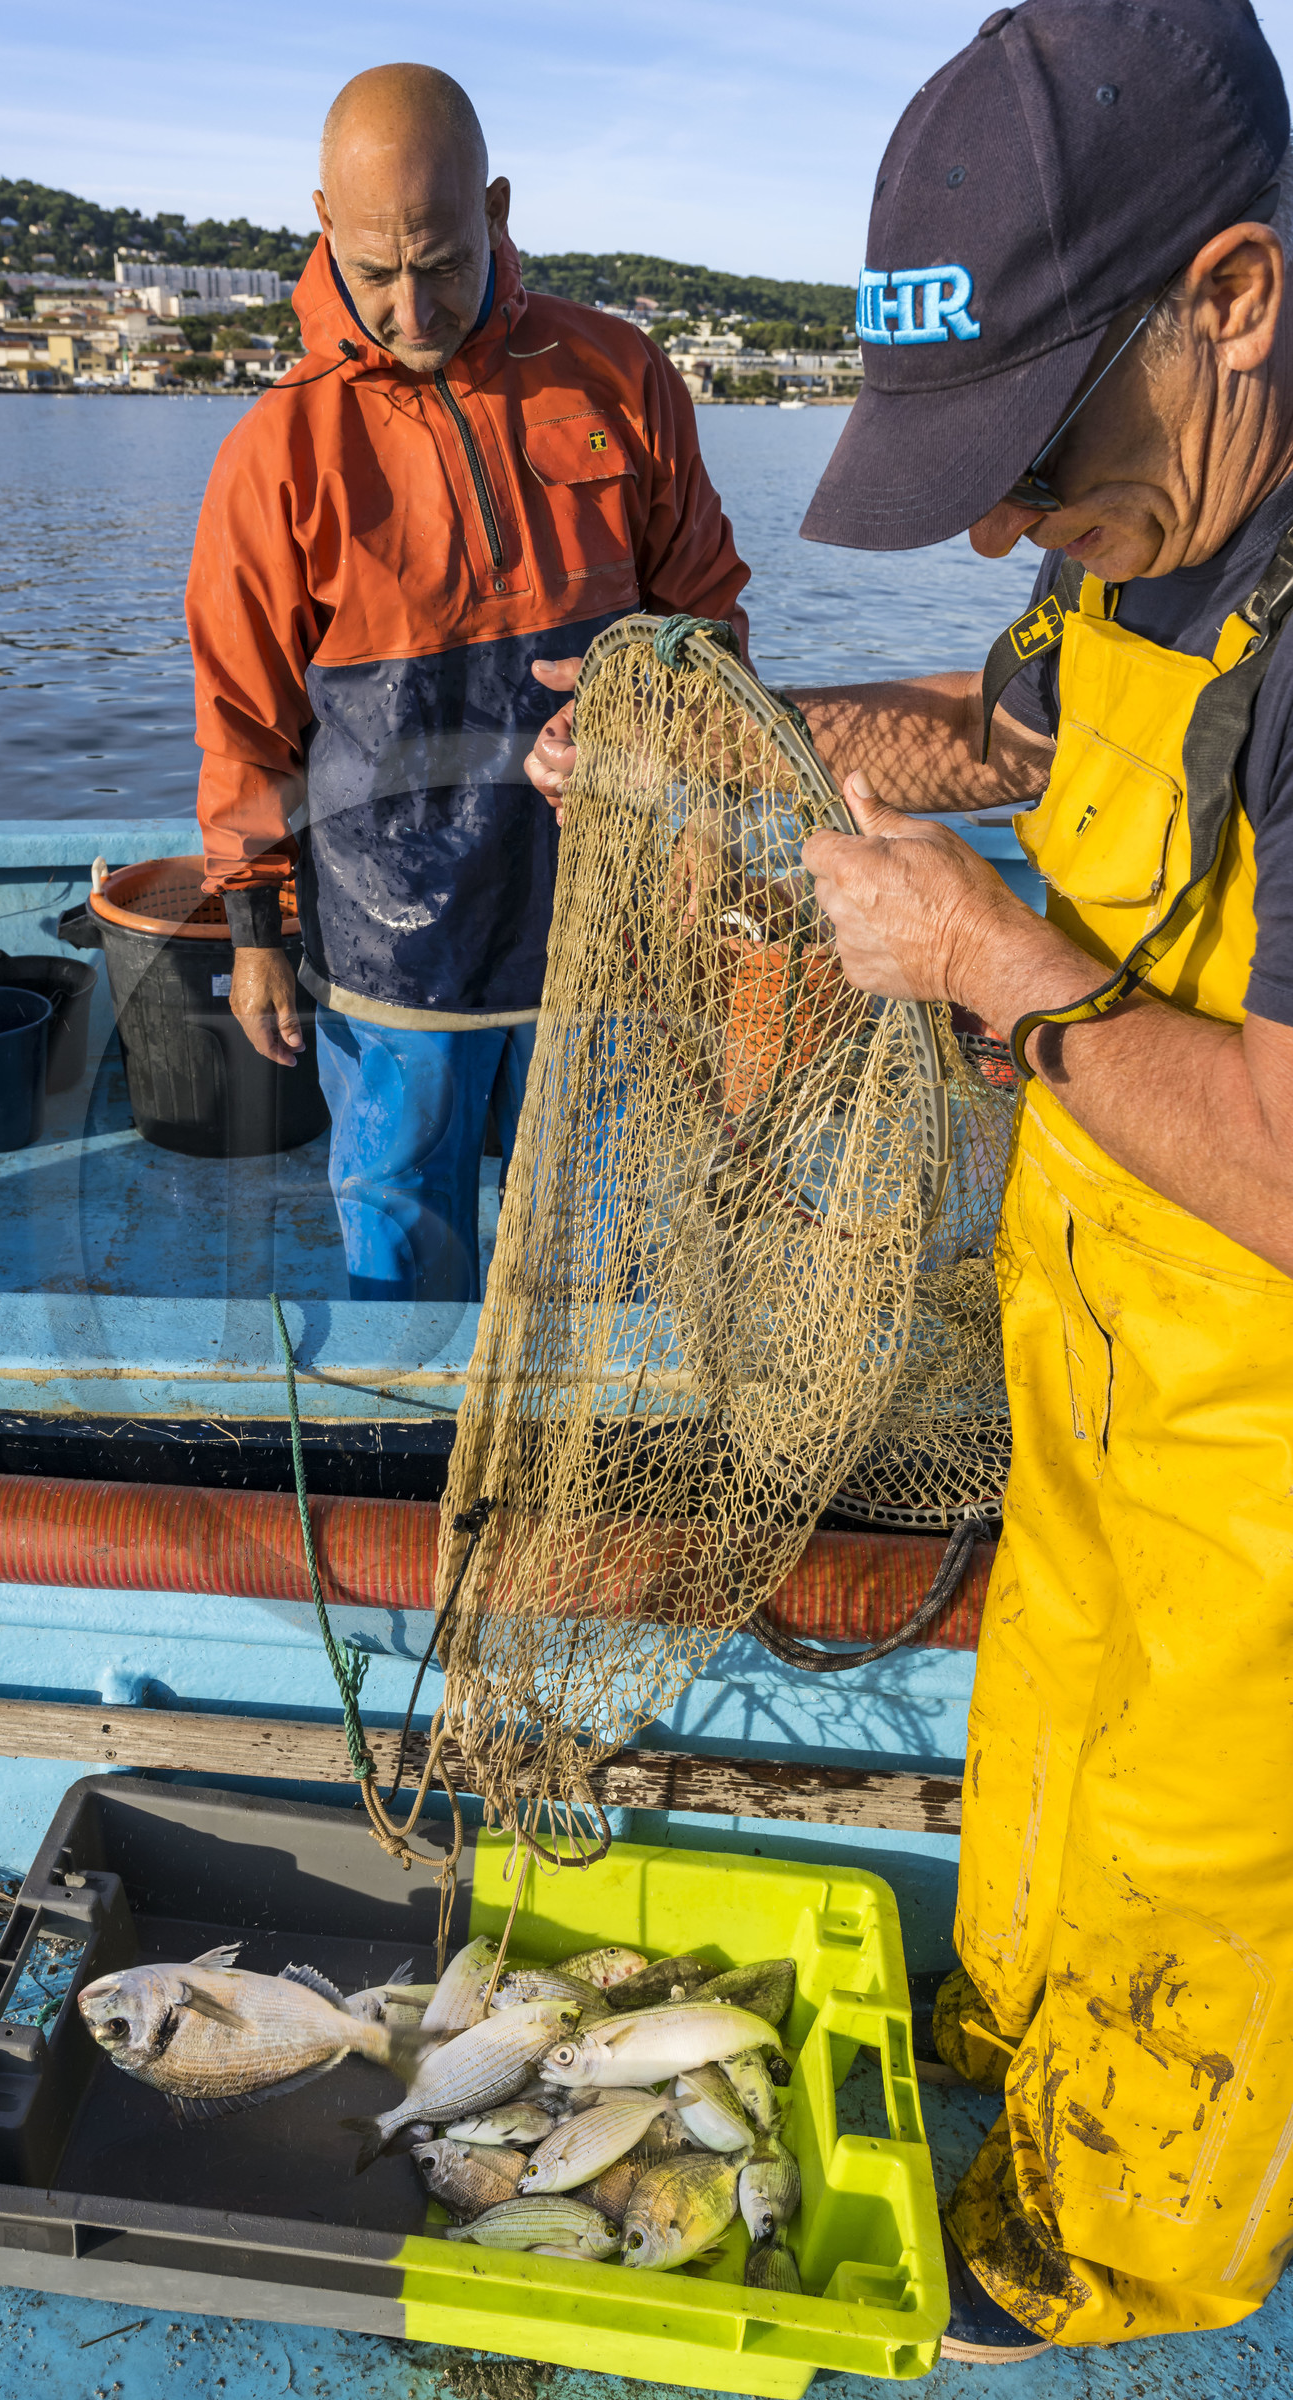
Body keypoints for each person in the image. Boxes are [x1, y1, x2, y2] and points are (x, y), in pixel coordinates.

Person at [527, 0, 1293, 2362]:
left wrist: (993, 960)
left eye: (1029, 440)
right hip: (1094, 1373)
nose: (993, 516)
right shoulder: (1149, 542)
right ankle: (1015, 2056)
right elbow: (1000, 724)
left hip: (1256, 1453)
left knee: (1193, 1836)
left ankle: (1119, 2261)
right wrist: (718, 747)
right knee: (1047, 1740)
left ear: (1232, 294)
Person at [185, 63, 748, 1301]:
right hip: (397, 958)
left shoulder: (618, 375)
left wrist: (704, 826)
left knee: (612, 1264)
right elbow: (240, 720)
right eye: (376, 269)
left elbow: (707, 621)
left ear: (495, 208)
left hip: (610, 931)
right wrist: (251, 930)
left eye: (440, 261)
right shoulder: (277, 453)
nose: (409, 303)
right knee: (403, 1257)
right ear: (323, 225)